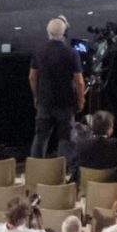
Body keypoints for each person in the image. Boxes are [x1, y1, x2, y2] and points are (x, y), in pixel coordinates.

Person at [30, 17, 83, 158]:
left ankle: (36, 171)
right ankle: (62, 173)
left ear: (48, 32)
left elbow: (32, 77)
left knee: (40, 138)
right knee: (66, 139)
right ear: (64, 33)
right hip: (65, 103)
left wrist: (36, 97)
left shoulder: (39, 51)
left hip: (44, 102)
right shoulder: (72, 52)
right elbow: (79, 81)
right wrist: (81, 100)